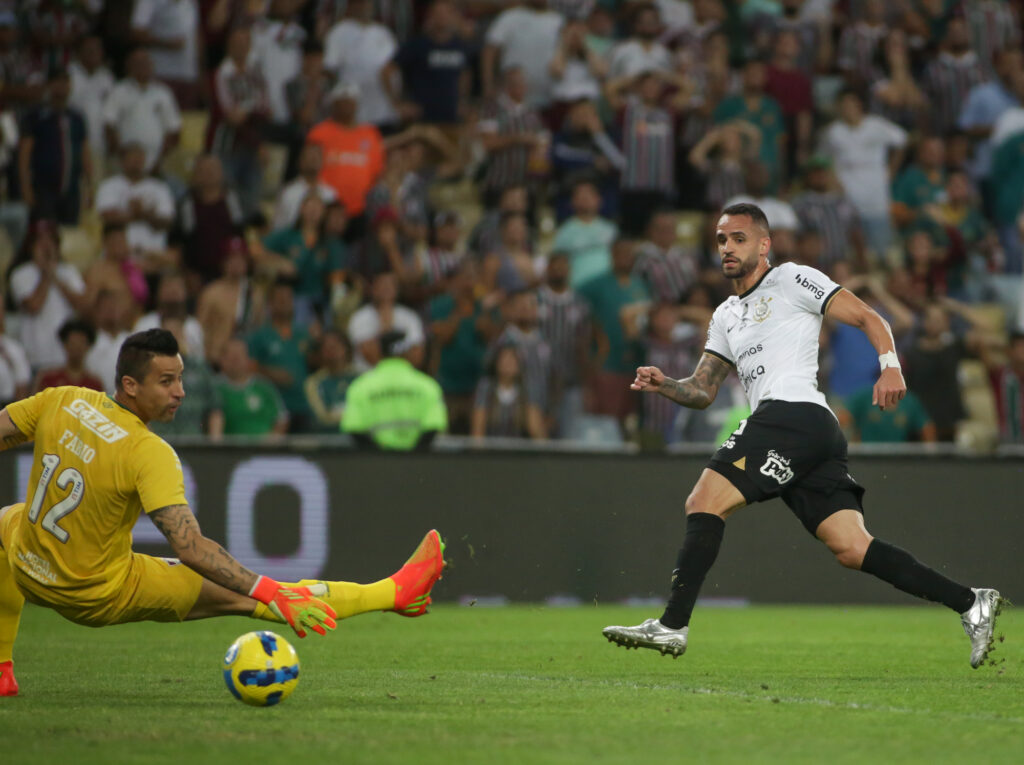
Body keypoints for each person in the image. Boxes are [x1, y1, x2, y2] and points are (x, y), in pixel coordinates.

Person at [601, 203, 1002, 669]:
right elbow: (703, 389)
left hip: (793, 414)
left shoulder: (791, 279)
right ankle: (971, 602)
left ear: (764, 244)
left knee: (703, 501)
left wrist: (890, 366)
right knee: (852, 548)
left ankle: (672, 625)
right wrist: (664, 383)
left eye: (739, 238)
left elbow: (871, 317)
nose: (727, 248)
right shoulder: (726, 314)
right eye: (721, 240)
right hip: (808, 434)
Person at [0, 328, 446, 696]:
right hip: (96, 590)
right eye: (167, 382)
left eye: (180, 378)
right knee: (256, 598)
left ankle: (2, 669)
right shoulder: (147, 452)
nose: (181, 392)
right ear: (130, 385)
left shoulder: (60, 399)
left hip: (28, 563)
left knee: (10, 517)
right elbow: (191, 548)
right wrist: (268, 588)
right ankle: (395, 592)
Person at [342, 330, 448, 450]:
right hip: (417, 464)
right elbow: (433, 427)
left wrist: (380, 457)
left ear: (380, 351)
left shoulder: (360, 387)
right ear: (407, 351)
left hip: (375, 464)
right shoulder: (428, 386)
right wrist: (413, 456)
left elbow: (354, 428)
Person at [33, 319, 104, 394]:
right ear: (65, 345)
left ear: (89, 346)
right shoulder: (48, 379)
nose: (76, 348)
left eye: (81, 343)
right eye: (73, 343)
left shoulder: (95, 384)